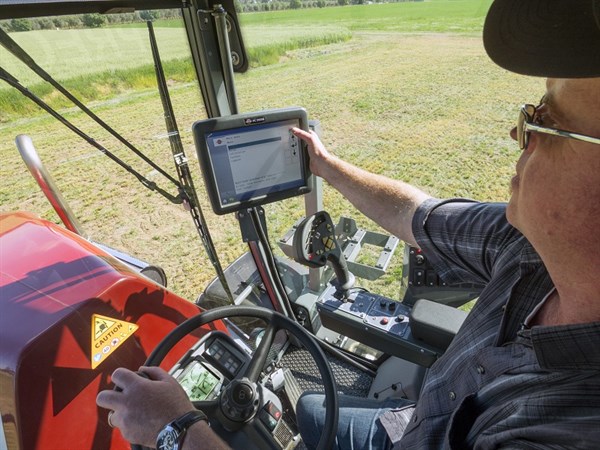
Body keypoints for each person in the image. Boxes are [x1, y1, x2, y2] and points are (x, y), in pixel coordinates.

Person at [97, 0, 600, 448]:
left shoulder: (564, 427)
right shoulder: (525, 247)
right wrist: (326, 165)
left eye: (544, 122)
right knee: (312, 407)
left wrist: (175, 429)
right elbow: (414, 213)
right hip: (414, 422)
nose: (518, 132)